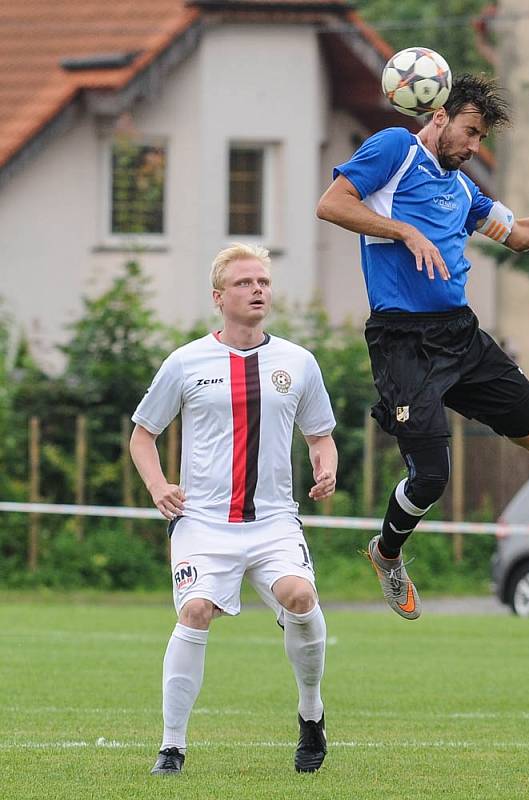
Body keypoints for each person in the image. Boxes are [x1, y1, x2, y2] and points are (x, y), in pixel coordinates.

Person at [316, 73, 529, 621]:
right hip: (403, 341)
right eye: (470, 132)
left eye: (481, 139)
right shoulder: (396, 149)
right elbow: (331, 204)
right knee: (432, 476)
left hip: (460, 336)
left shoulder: (464, 188)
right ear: (439, 116)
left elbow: (520, 234)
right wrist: (405, 232)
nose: (475, 147)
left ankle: (444, 405)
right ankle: (387, 553)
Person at [130, 243, 337, 775]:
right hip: (202, 522)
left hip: (272, 520)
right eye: (246, 283)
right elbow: (142, 436)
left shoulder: (298, 362)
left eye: (264, 282)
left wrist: (325, 465)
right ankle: (172, 746)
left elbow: (320, 435)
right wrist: (158, 488)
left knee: (301, 598)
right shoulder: (186, 361)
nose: (258, 290)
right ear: (219, 297)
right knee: (195, 611)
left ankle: (310, 712)